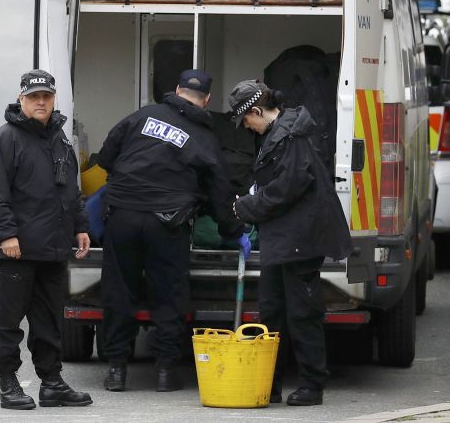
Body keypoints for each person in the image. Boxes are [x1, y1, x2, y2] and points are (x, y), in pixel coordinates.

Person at [97, 69, 246, 392]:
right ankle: (165, 371)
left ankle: (116, 370)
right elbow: (220, 191)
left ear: (176, 90)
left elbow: (107, 154)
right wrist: (232, 231)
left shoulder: (143, 115)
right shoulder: (206, 138)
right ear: (206, 100)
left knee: (119, 291)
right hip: (168, 223)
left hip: (122, 214)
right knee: (169, 296)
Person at [228, 79, 352, 407]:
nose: (247, 128)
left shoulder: (292, 136)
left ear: (256, 111)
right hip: (283, 239)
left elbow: (288, 187)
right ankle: (269, 383)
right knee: (271, 312)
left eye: (246, 121)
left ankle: (312, 384)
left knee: (302, 313)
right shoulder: (279, 132)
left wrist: (246, 207)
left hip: (300, 238)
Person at [0, 70, 93, 410]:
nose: (40, 102)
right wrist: (6, 235)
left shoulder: (59, 139)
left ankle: (52, 383)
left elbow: (71, 189)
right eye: (33, 96)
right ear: (21, 99)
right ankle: (8, 382)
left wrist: (80, 226)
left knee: (49, 320)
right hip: (19, 249)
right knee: (8, 318)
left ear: (54, 99)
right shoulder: (5, 140)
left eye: (46, 96)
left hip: (53, 246)